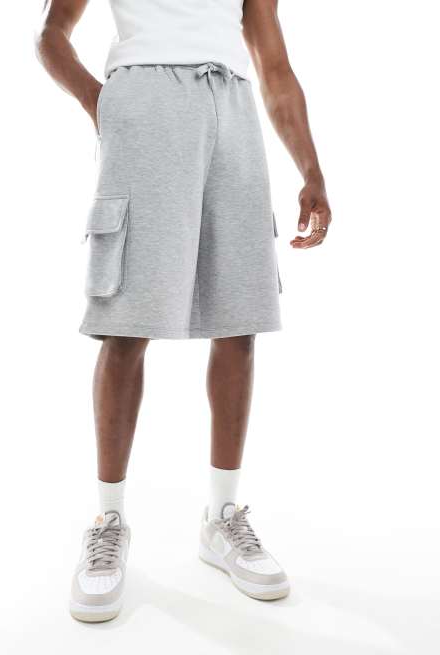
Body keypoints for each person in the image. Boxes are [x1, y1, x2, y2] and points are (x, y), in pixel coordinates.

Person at [36, 0, 331, 622]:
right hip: (144, 101)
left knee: (240, 320)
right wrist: (98, 101)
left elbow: (275, 66)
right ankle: (109, 521)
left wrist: (311, 168)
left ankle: (221, 517)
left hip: (233, 105)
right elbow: (51, 33)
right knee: (125, 324)